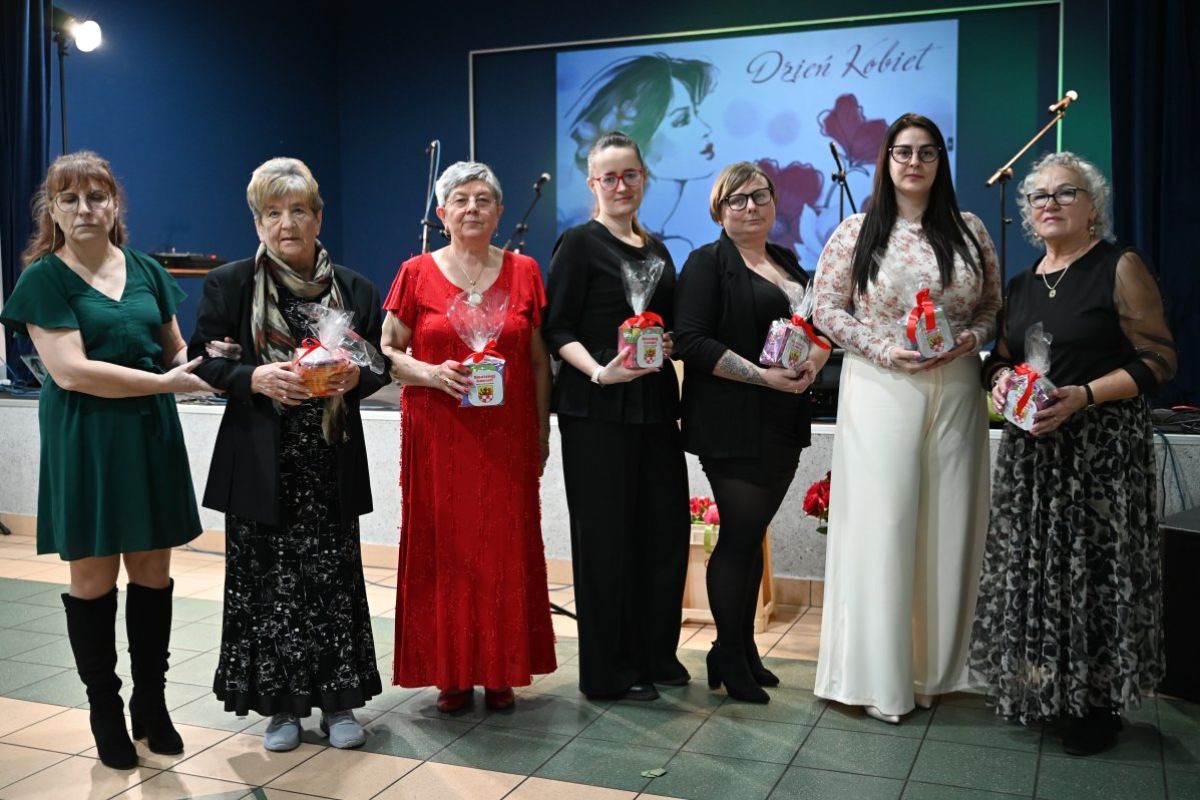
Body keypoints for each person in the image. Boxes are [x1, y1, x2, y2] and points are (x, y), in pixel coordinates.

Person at [0, 151, 208, 769]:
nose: (85, 209)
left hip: (149, 435)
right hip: (86, 439)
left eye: (97, 196)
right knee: (92, 581)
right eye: (70, 199)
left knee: (152, 575)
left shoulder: (146, 270)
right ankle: (104, 711)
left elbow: (174, 351)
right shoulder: (42, 279)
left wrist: (221, 363)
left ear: (115, 204)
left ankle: (152, 702)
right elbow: (73, 372)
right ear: (52, 210)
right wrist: (166, 384)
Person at [971, 152, 1175, 756]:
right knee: (1043, 575)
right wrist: (1001, 384)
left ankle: (1096, 705)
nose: (1051, 204)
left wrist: (1083, 395)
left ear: (1093, 207)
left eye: (1067, 193)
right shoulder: (1021, 283)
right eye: (1040, 196)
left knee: (1096, 573)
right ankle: (1051, 689)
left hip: (1100, 452)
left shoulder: (1118, 266)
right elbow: (999, 360)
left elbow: (1159, 359)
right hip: (1034, 455)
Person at [187, 157, 388, 752]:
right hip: (259, 460)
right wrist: (254, 377)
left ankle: (340, 703)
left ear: (318, 218)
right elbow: (206, 362)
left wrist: (355, 378)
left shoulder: (354, 288)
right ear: (257, 224)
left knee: (334, 584)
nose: (286, 223)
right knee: (266, 589)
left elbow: (379, 363)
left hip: (328, 459)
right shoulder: (230, 285)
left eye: (298, 210)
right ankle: (280, 710)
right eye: (272, 213)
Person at [811, 114, 1001, 723]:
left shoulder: (969, 230)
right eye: (903, 152)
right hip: (881, 383)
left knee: (950, 523)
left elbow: (992, 308)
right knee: (884, 524)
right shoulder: (856, 231)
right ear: (886, 160)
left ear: (941, 160)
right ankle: (876, 680)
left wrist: (970, 340)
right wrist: (881, 348)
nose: (914, 162)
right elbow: (825, 309)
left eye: (926, 152)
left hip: (956, 385)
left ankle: (934, 674)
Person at [380, 161, 556, 713]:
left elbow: (539, 362)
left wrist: (542, 434)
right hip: (439, 436)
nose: (472, 208)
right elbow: (388, 352)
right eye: (460, 199)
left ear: (500, 212)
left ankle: (501, 669)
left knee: (504, 548)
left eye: (483, 199)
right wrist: (431, 373)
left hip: (506, 438)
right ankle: (450, 673)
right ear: (442, 213)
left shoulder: (525, 271)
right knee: (447, 551)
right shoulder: (414, 272)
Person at [674, 161, 831, 704]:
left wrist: (810, 365)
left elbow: (815, 329)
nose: (750, 207)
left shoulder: (785, 260)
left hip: (783, 419)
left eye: (759, 196)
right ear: (719, 210)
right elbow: (691, 342)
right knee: (739, 538)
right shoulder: (706, 263)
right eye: (736, 200)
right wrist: (763, 377)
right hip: (730, 423)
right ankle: (727, 652)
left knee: (751, 535)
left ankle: (742, 650)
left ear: (774, 202)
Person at [543, 131, 691, 701]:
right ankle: (610, 671)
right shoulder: (579, 243)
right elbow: (557, 329)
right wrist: (601, 372)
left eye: (630, 174)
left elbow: (668, 325)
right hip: (597, 409)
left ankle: (655, 654)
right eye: (610, 177)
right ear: (593, 184)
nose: (621, 185)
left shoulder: (659, 251)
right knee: (605, 541)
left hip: (654, 407)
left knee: (663, 533)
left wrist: (664, 343)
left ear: (643, 177)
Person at [564, 53, 717, 252]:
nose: (705, 129)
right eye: (681, 120)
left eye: (696, 113)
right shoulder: (579, 245)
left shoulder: (660, 249)